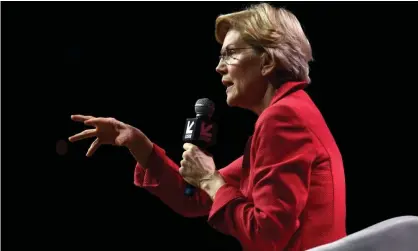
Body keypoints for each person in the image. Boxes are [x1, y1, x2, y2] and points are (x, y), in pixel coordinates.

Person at [69, 3, 346, 251]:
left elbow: (265, 236)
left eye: (230, 54)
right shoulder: (292, 112)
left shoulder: (283, 119)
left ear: (267, 61)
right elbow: (196, 198)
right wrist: (138, 144)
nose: (218, 67)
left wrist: (211, 180)